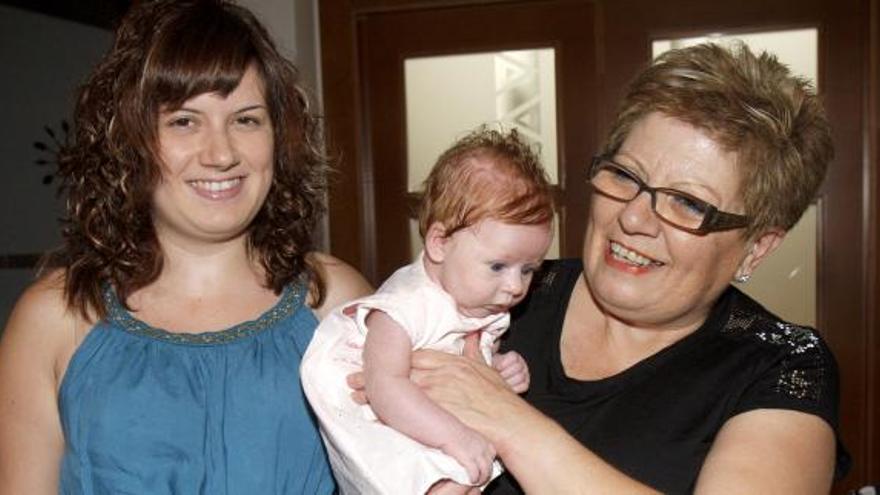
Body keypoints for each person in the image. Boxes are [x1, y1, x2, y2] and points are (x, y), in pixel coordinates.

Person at [351, 42, 849, 493]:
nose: (633, 217)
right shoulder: (499, 290)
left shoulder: (781, 366)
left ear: (757, 248)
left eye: (687, 204)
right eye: (625, 175)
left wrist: (506, 418)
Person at [0, 1, 372, 493]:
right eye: (183, 121)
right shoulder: (54, 318)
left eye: (246, 120)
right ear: (128, 140)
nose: (221, 154)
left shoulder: (335, 301)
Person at [301, 128, 554, 495]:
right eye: (499, 266)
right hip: (373, 417)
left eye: (529, 270)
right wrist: (455, 436)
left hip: (422, 416)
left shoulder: (478, 297)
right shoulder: (407, 305)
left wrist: (498, 366)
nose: (516, 286)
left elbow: (463, 357)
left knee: (471, 473)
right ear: (439, 243)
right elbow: (383, 385)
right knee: (453, 475)